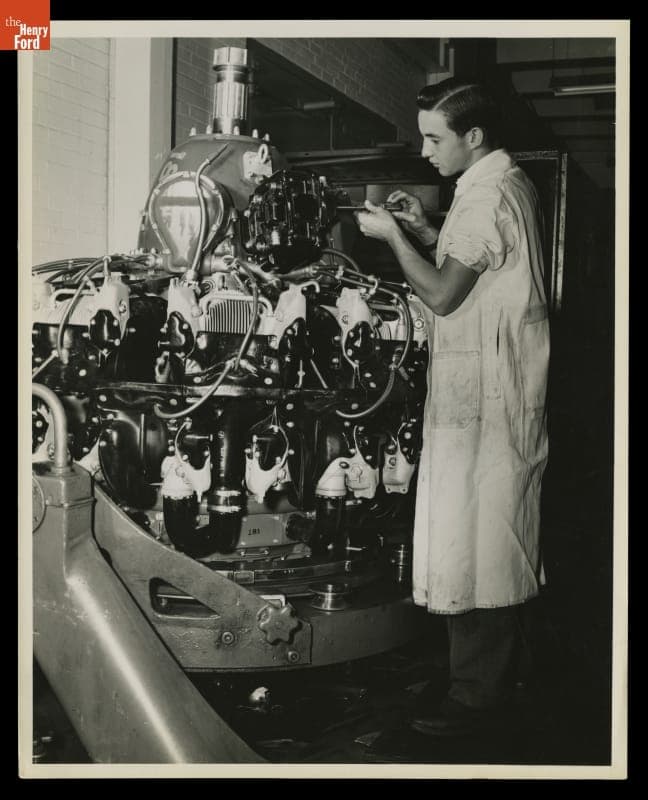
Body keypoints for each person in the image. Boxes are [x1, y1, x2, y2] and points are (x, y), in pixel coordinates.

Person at [355, 78, 550, 737]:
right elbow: (481, 259)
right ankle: (498, 679)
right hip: (501, 391)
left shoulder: (486, 196)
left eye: (435, 138)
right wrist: (421, 226)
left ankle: (476, 701)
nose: (424, 150)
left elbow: (441, 295)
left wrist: (392, 236)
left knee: (477, 545)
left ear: (475, 136)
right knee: (495, 540)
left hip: (487, 399)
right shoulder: (505, 183)